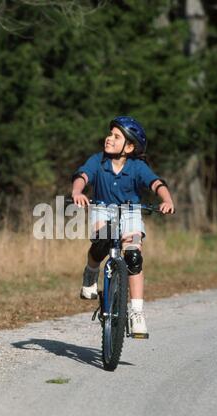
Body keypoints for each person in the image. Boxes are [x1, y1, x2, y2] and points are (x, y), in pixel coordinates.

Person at [71, 116, 175, 339]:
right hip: (102, 209)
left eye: (116, 136)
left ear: (129, 147)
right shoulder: (98, 161)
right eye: (110, 134)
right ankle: (90, 274)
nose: (109, 138)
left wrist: (166, 199)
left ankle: (137, 313)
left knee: (134, 257)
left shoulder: (138, 167)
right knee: (102, 242)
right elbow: (82, 176)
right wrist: (77, 192)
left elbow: (156, 183)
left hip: (130, 211)